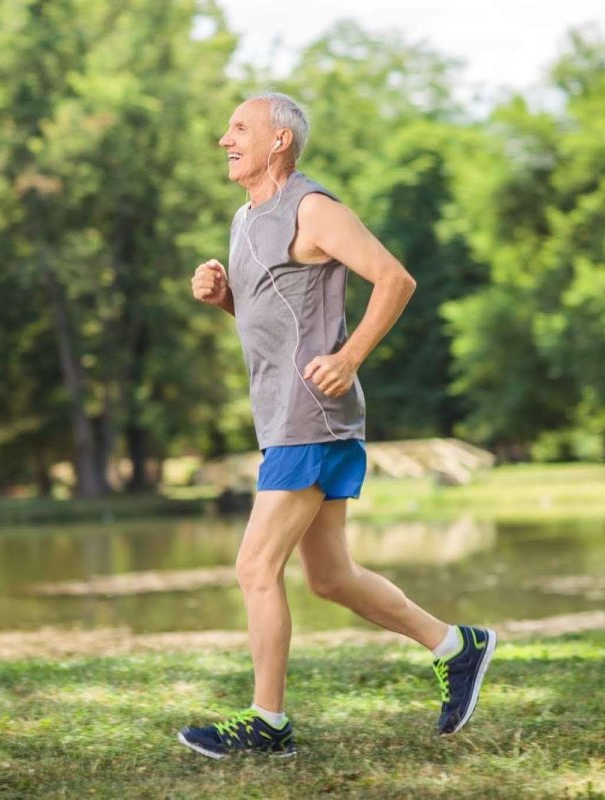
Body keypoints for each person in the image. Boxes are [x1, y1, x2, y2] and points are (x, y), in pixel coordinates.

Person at [180, 92, 495, 759]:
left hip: (310, 417)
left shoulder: (312, 208)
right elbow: (275, 324)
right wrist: (223, 300)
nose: (223, 139)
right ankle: (455, 645)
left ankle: (268, 723)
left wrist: (350, 358)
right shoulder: (245, 219)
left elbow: (395, 279)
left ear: (280, 140)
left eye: (239, 128)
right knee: (329, 577)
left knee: (255, 567)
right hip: (286, 419)